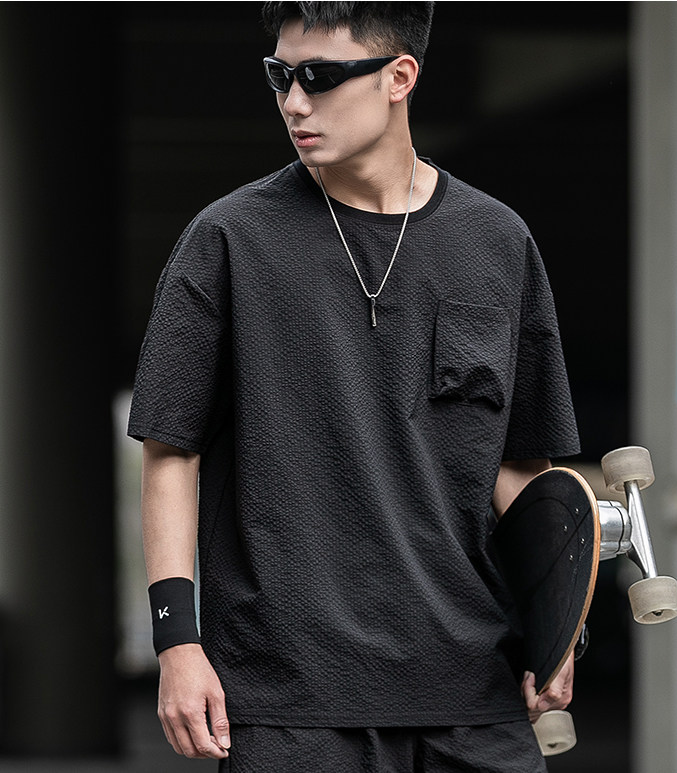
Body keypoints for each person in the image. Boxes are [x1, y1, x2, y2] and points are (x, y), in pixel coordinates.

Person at [128, 2, 580, 771]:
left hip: (475, 694)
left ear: (399, 77)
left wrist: (560, 624)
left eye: (319, 77)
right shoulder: (228, 239)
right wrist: (177, 640)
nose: (294, 102)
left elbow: (521, 468)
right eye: (280, 76)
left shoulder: (498, 242)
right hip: (289, 704)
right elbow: (172, 450)